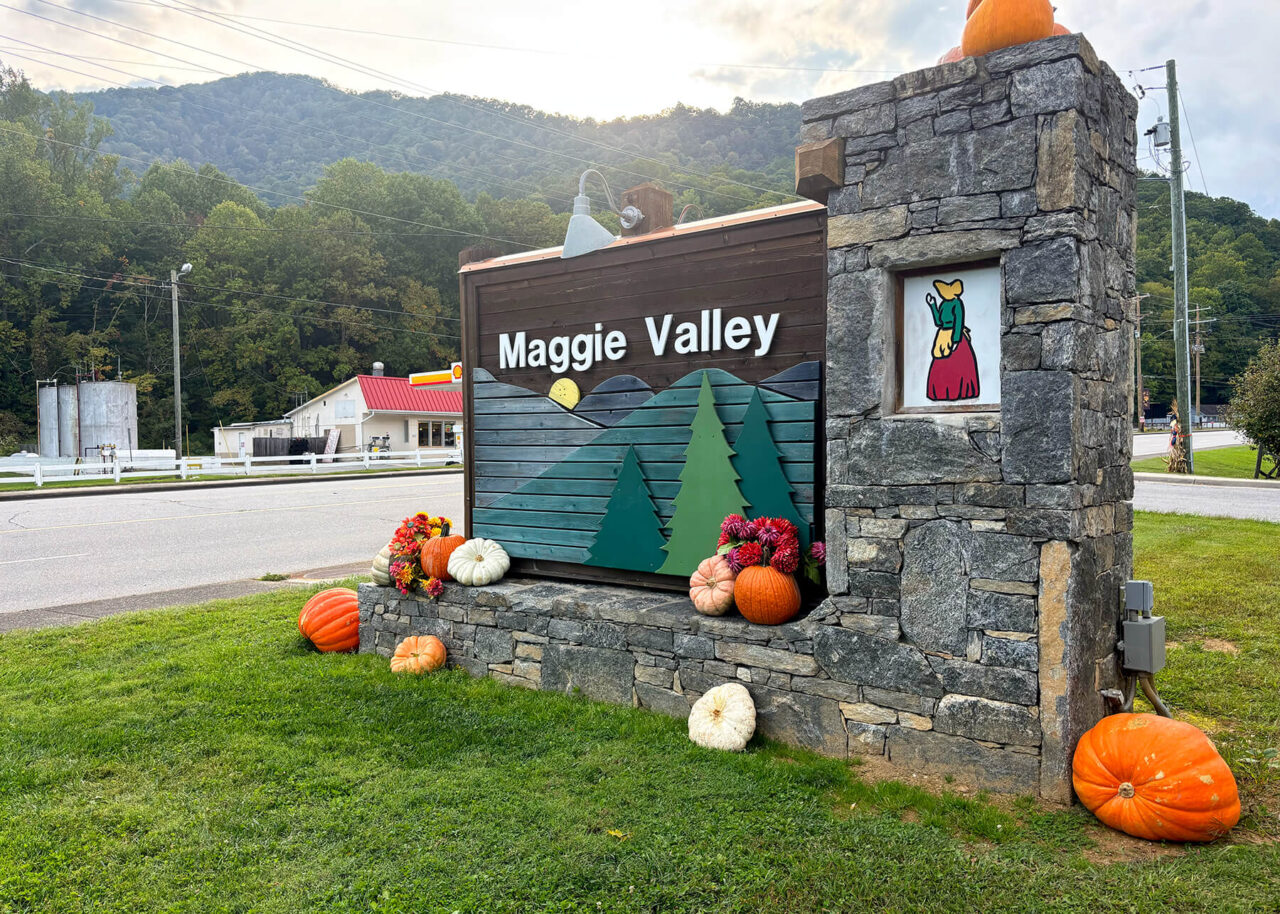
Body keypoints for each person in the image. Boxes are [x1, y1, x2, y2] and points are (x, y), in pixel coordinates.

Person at [925, 279, 980, 401]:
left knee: (959, 364)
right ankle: (941, 392)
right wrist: (933, 305)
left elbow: (959, 322)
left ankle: (960, 392)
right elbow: (939, 322)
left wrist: (956, 340)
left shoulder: (957, 303)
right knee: (940, 364)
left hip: (956, 336)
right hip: (943, 335)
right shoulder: (944, 304)